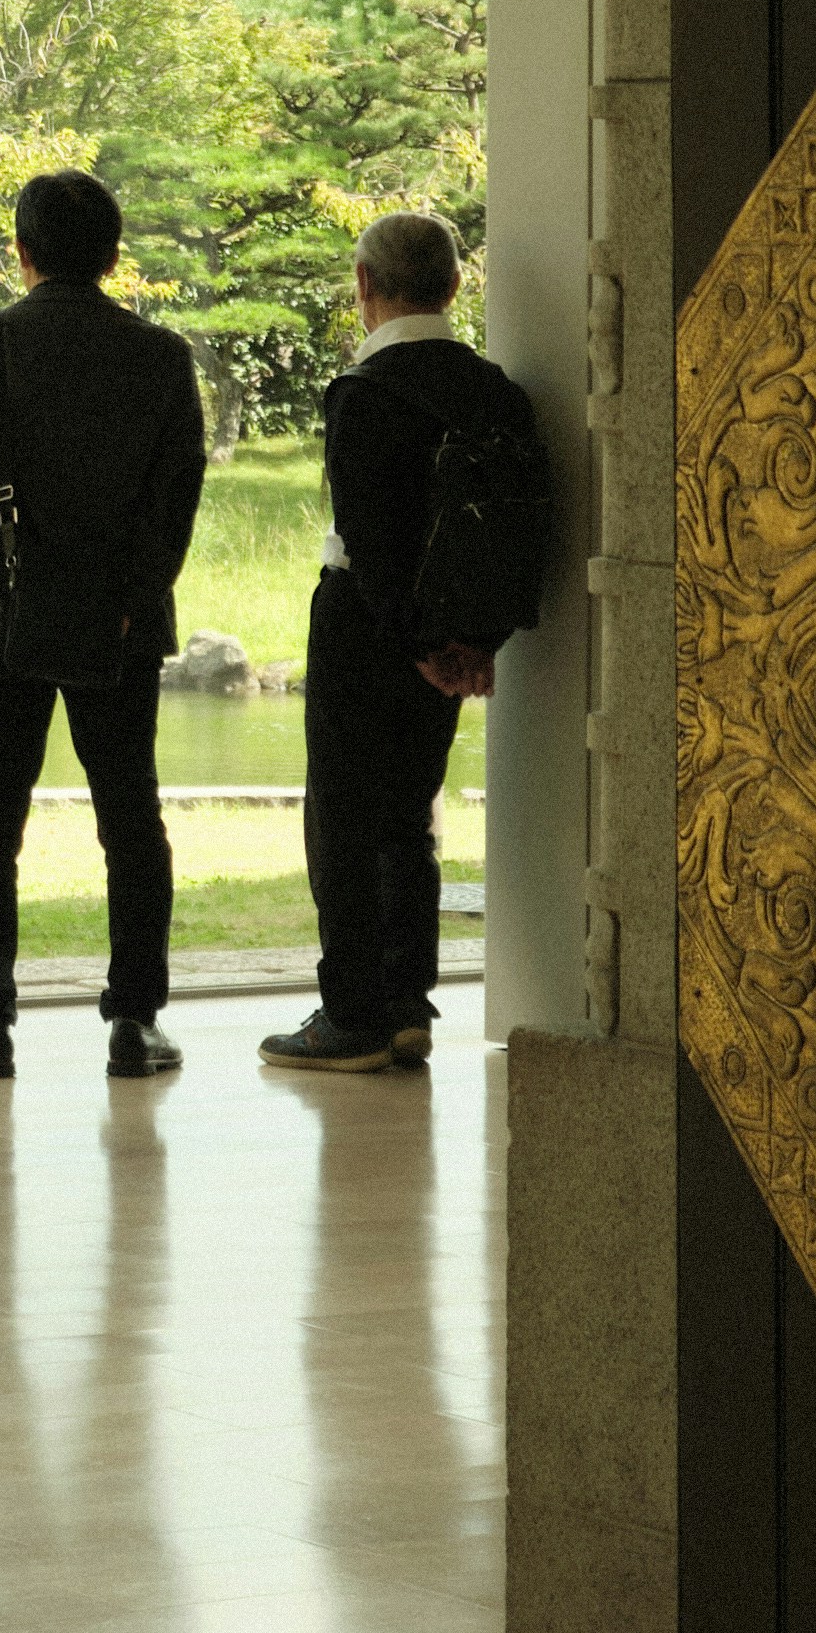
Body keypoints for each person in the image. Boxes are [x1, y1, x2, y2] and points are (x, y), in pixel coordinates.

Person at [0, 168, 209, 1084]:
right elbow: (176, 495)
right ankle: (135, 1022)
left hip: (2, 620)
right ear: (114, 256)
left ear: (22, 251)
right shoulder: (160, 355)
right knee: (130, 818)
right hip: (120, 622)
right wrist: (132, 593)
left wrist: (4, 580)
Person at [261, 209, 514, 1080]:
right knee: (409, 815)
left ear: (365, 285)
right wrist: (471, 642)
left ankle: (352, 1015)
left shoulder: (364, 392)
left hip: (365, 627)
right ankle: (407, 1003)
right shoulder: (494, 390)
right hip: (456, 637)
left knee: (341, 818)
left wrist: (413, 642)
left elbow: (369, 544)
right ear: (453, 285)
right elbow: (515, 530)